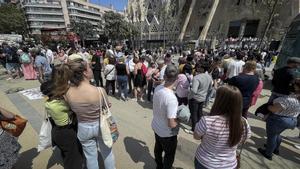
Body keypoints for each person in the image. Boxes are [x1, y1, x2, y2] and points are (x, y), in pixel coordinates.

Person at [54, 58, 115, 169]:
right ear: (85, 73)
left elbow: (71, 108)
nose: (91, 70)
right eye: (90, 68)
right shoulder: (100, 91)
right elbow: (106, 105)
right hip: (101, 126)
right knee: (107, 153)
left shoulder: (66, 92)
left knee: (90, 157)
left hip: (83, 127)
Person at [193, 85, 251, 169]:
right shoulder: (243, 122)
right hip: (229, 164)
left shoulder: (207, 121)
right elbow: (244, 140)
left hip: (205, 162)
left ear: (219, 101)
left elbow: (196, 137)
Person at [40, 79, 83, 169]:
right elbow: (74, 106)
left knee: (66, 154)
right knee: (73, 157)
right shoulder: (60, 103)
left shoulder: (48, 103)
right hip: (66, 132)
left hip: (57, 131)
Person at [258, 78, 300, 160]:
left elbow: (273, 109)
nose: (292, 86)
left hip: (279, 120)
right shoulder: (296, 99)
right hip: (292, 120)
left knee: (272, 136)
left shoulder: (285, 100)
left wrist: (268, 106)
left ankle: (268, 153)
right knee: (277, 134)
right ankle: (275, 149)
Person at [152, 64, 179, 169]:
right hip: (166, 133)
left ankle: (159, 165)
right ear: (176, 79)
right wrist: (179, 120)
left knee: (158, 148)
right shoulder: (172, 98)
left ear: (165, 76)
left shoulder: (158, 88)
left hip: (156, 126)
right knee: (169, 155)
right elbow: (171, 124)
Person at [188, 61, 212, 133]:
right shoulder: (209, 77)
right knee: (200, 113)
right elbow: (210, 88)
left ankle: (194, 129)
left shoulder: (197, 77)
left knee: (194, 114)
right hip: (203, 98)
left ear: (202, 68)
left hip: (195, 98)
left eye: (199, 67)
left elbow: (194, 90)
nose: (197, 68)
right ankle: (201, 127)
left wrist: (189, 97)